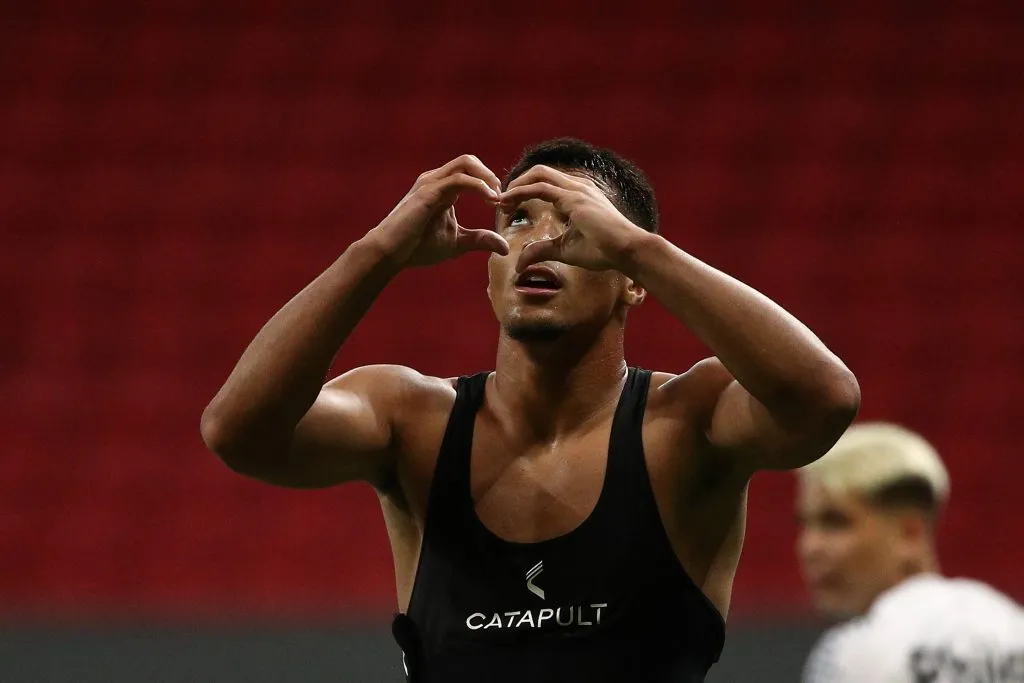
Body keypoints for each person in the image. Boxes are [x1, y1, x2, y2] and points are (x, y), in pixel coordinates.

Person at [201, 138, 861, 683]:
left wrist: (641, 249)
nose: (540, 242)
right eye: (518, 218)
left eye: (575, 223)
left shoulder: (686, 421)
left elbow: (823, 397)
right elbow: (237, 430)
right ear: (489, 268)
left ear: (634, 281)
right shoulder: (411, 418)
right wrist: (377, 253)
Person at [796, 422, 1024, 682]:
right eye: (805, 524)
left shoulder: (851, 655)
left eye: (835, 522)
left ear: (909, 532)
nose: (810, 546)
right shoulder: (1012, 627)